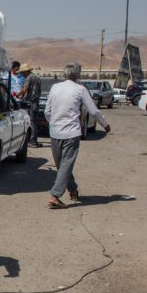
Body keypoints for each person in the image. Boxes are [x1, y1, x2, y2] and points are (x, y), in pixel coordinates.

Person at [44, 63, 111, 208]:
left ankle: (71, 191)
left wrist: (54, 123)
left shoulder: (55, 88)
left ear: (64, 75)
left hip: (55, 132)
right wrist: (104, 124)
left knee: (62, 165)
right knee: (65, 165)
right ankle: (55, 196)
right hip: (71, 132)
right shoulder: (80, 89)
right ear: (78, 75)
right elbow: (93, 111)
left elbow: (47, 111)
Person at [20, 64, 43, 146]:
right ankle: (34, 140)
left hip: (31, 103)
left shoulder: (29, 77)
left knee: (31, 122)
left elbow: (25, 88)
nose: (22, 74)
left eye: (22, 72)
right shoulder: (37, 77)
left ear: (26, 71)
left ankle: (32, 141)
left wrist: (18, 95)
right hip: (36, 102)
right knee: (34, 122)